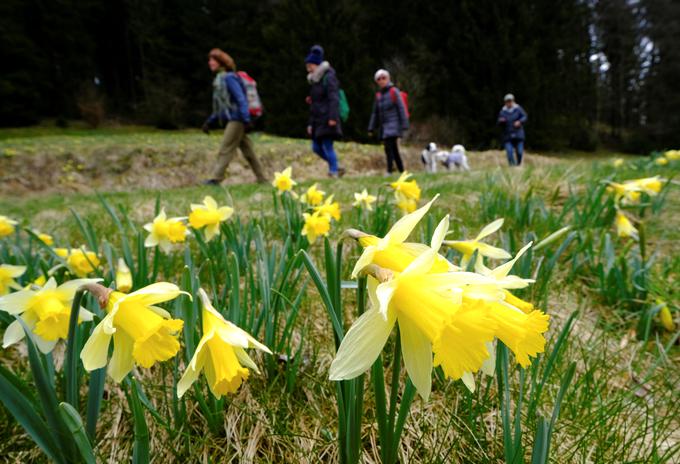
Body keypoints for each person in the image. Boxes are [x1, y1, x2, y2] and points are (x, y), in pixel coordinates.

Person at [202, 48, 266, 185]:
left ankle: (215, 179)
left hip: (238, 118)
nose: (210, 63)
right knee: (248, 151)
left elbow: (240, 99)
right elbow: (224, 106)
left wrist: (246, 119)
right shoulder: (221, 79)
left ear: (221, 63)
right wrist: (210, 122)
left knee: (226, 147)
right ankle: (263, 179)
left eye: (213, 60)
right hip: (238, 117)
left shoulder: (229, 78)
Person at [305, 45, 345, 178]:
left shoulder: (329, 77)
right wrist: (310, 124)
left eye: (310, 65)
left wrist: (333, 117)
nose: (308, 68)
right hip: (318, 119)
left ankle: (333, 172)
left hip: (328, 117)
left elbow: (334, 98)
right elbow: (315, 104)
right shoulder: (315, 81)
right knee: (316, 148)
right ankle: (336, 166)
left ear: (317, 65)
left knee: (328, 146)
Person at [368, 69, 409, 174]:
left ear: (388, 78)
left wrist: (404, 124)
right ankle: (402, 171)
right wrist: (371, 127)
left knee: (389, 148)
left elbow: (401, 108)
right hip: (384, 126)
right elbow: (375, 113)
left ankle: (389, 170)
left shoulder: (394, 91)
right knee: (394, 149)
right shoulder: (378, 96)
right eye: (379, 79)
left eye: (383, 78)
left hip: (394, 125)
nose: (381, 80)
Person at [497, 93, 528, 166]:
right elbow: (498, 122)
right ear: (505, 102)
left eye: (510, 101)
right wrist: (501, 121)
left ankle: (519, 164)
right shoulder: (502, 111)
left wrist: (519, 122)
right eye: (507, 101)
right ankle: (512, 167)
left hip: (518, 134)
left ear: (513, 101)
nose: (509, 103)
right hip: (507, 135)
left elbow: (525, 117)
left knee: (520, 152)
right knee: (509, 152)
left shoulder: (518, 109)